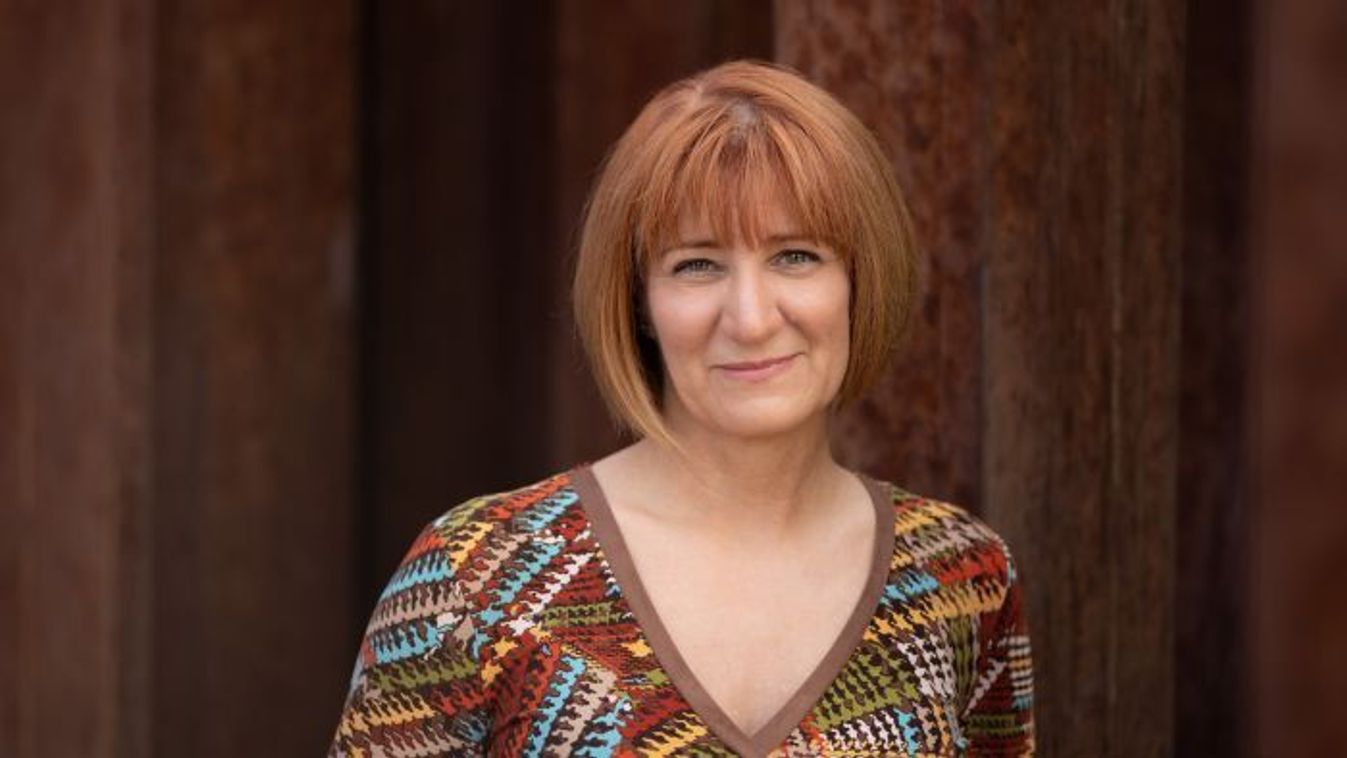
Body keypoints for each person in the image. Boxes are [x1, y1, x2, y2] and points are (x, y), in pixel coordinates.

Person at [329, 60, 1034, 757]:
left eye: (795, 256)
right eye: (697, 265)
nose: (751, 319)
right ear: (639, 300)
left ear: (859, 276)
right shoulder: (477, 576)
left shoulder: (961, 578)